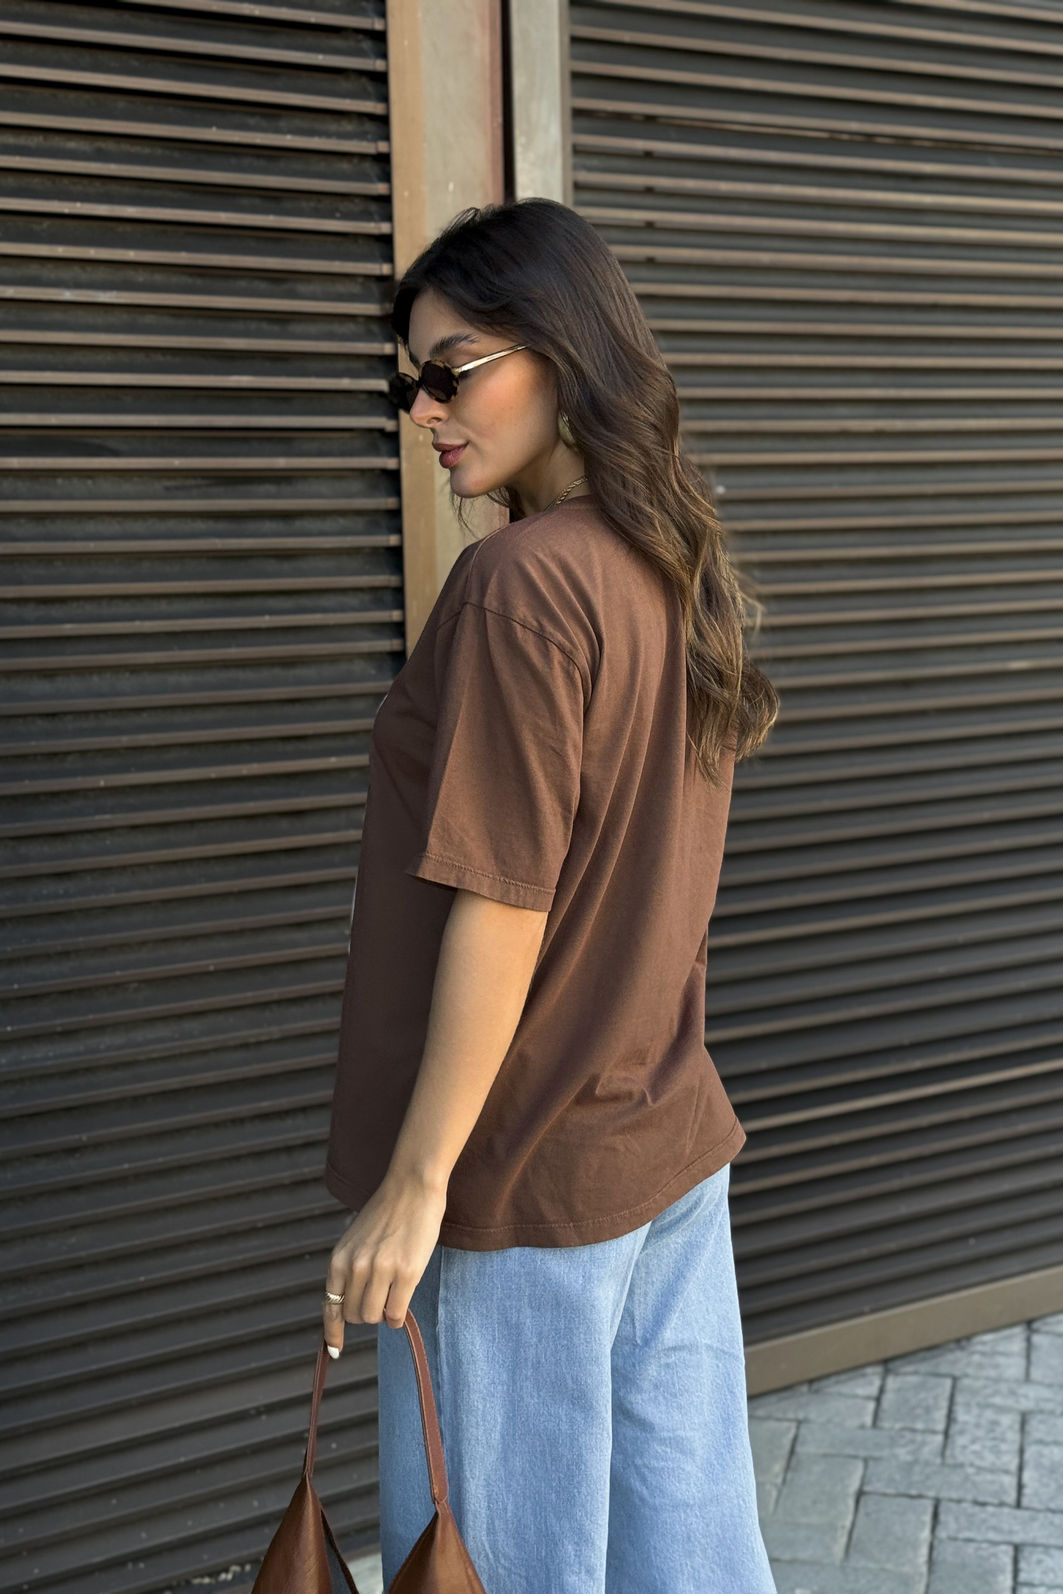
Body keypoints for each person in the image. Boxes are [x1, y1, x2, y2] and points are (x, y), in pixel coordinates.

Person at [320, 197, 780, 1594]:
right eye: (411, 382)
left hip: (516, 1177)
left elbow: (504, 902)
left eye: (449, 370)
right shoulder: (668, 564)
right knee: (691, 1559)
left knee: (496, 1565)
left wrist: (417, 1186)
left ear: (560, 351)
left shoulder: (519, 585)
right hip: (659, 1140)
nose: (424, 410)